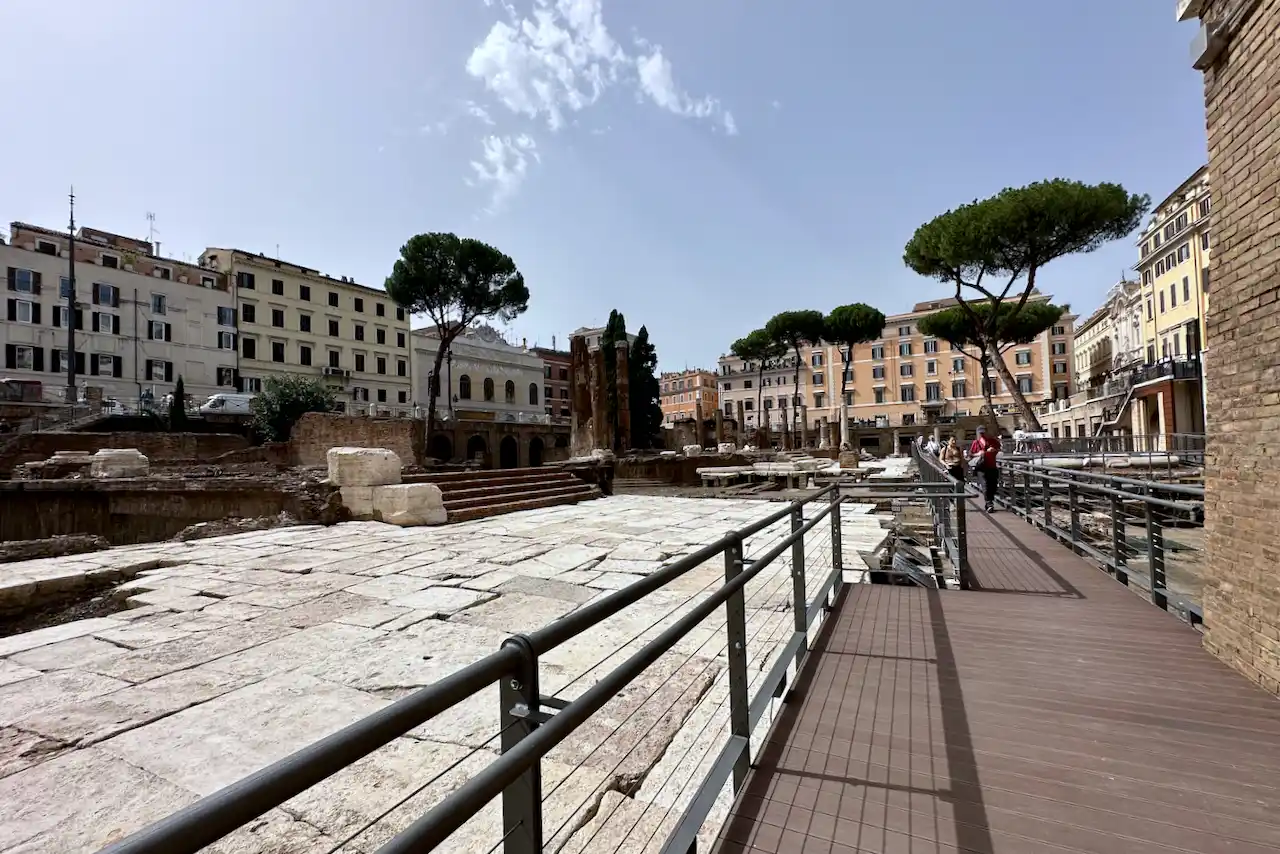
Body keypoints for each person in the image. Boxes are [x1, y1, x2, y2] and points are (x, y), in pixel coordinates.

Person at [968, 425, 1002, 512]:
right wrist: (978, 454)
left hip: (992, 466)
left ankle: (990, 501)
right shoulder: (976, 442)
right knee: (985, 485)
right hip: (981, 468)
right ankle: (989, 503)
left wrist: (993, 450)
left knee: (993, 486)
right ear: (978, 433)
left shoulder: (992, 441)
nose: (982, 434)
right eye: (980, 433)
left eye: (983, 432)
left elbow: (998, 448)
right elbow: (970, 454)